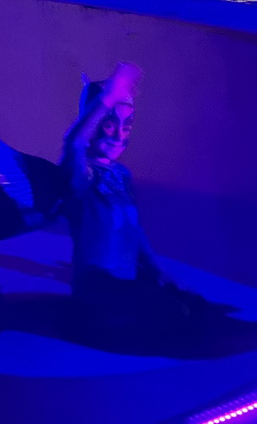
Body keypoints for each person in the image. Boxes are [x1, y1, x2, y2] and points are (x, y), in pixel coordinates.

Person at [62, 62, 197, 347]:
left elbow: (134, 230)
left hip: (126, 282)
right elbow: (74, 143)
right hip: (96, 286)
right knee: (176, 314)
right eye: (110, 124)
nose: (118, 135)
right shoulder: (81, 173)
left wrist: (157, 270)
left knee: (192, 304)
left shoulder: (121, 175)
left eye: (127, 126)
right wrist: (107, 98)